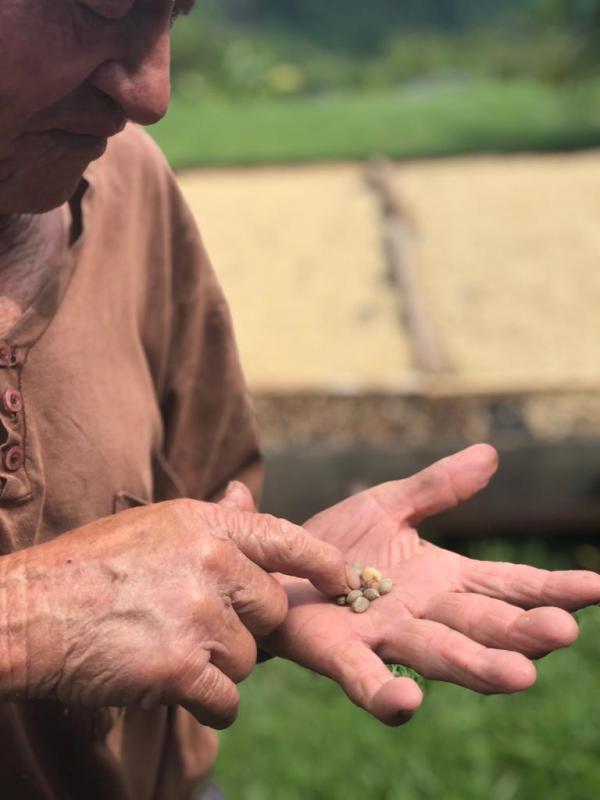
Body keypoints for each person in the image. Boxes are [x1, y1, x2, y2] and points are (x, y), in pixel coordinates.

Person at [0, 2, 598, 799]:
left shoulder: (128, 184)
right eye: (101, 9)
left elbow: (193, 519)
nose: (153, 92)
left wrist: (259, 586)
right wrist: (29, 617)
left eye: (174, 13)